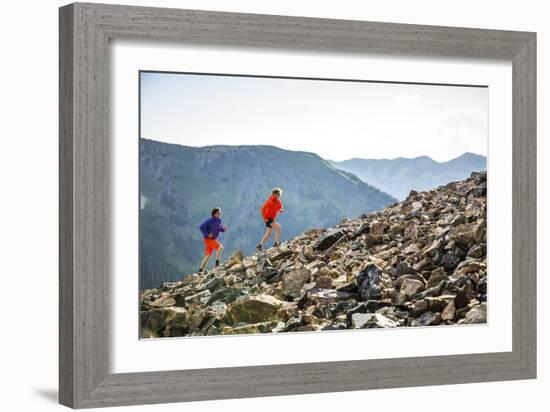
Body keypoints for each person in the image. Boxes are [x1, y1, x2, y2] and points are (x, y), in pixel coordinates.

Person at [198, 207, 227, 273]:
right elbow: (201, 227)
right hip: (208, 239)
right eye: (218, 213)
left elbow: (219, 228)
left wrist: (223, 229)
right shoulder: (209, 220)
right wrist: (207, 234)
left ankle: (200, 270)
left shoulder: (219, 220)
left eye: (220, 212)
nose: (220, 214)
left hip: (212, 239)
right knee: (220, 247)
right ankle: (217, 263)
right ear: (214, 214)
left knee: (207, 255)